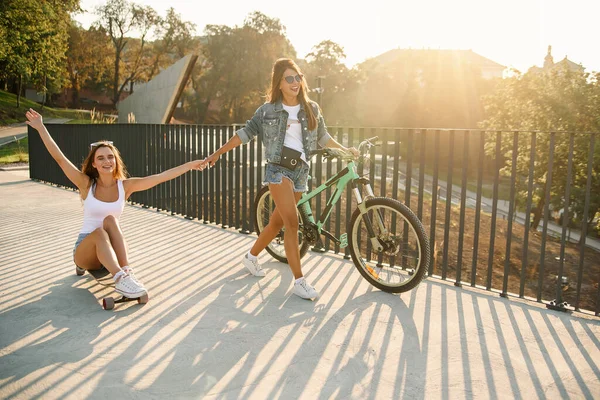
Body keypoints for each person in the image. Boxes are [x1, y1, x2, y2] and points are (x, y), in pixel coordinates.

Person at [201, 58, 358, 299]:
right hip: (277, 171)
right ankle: (299, 280)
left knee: (276, 223)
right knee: (293, 223)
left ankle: (250, 257)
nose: (296, 82)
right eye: (290, 78)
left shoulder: (312, 108)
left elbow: (323, 137)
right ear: (279, 83)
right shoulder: (266, 111)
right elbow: (244, 134)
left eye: (299, 77)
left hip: (300, 172)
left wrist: (346, 151)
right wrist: (216, 154)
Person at [25, 109, 205, 299]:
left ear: (115, 161)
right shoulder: (87, 185)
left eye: (110, 157)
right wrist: (41, 127)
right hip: (86, 250)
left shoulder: (125, 186)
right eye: (100, 158)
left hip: (110, 249)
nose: (106, 161)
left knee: (111, 220)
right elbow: (60, 159)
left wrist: (190, 165)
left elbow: (160, 177)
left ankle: (126, 271)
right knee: (100, 232)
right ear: (94, 164)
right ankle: (120, 279)